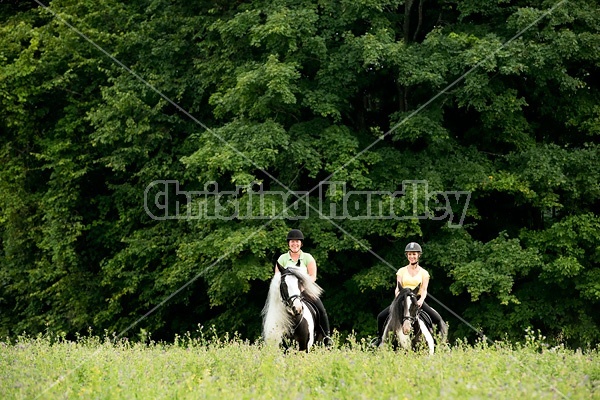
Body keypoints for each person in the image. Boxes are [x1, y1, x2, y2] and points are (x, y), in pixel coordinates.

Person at [374, 242, 447, 345]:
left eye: (414, 254)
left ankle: (441, 343)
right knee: (381, 317)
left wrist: (421, 300)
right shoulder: (401, 271)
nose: (411, 256)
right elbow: (397, 288)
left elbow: (424, 289)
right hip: (403, 300)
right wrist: (398, 298)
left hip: (416, 300)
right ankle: (379, 339)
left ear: (418, 255)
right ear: (407, 255)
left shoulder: (424, 273)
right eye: (409, 254)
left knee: (437, 318)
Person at [275, 229, 332, 346]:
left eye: (297, 242)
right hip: (288, 295)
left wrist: (300, 287)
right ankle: (270, 335)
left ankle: (326, 336)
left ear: (301, 244)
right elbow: (277, 278)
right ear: (288, 244)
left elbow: (313, 276)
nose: (294, 244)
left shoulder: (308, 258)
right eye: (292, 242)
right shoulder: (282, 259)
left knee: (321, 309)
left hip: (305, 291)